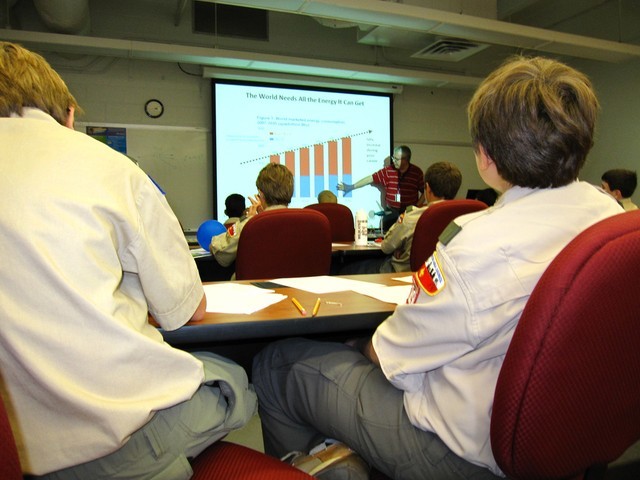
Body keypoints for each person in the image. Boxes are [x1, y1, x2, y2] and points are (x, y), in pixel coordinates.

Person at [251, 55, 624, 480]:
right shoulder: (614, 222)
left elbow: (388, 355)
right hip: (567, 441)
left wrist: (356, 345)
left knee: (276, 363)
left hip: (459, 457)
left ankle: (328, 465)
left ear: (484, 155)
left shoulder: (478, 245)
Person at [0, 42, 257, 479]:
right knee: (240, 380)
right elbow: (186, 311)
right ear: (68, 115)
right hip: (112, 441)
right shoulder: (109, 166)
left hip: (16, 450)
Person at [341, 161, 462, 275]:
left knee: (344, 270)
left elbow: (386, 247)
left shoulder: (412, 216)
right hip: (443, 279)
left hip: (404, 275)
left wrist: (402, 249)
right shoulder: (464, 218)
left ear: (428, 188)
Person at [211, 162, 293, 268]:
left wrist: (248, 219)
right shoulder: (308, 222)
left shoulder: (250, 224)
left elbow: (220, 253)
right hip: (296, 284)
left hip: (255, 284)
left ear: (261, 194)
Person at [337, 146, 424, 231]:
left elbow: (424, 192)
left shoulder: (417, 172)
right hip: (391, 212)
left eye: (396, 159)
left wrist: (416, 207)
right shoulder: (388, 170)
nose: (394, 161)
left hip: (409, 213)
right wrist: (351, 187)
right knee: (388, 239)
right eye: (393, 158)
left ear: (406, 159)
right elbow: (370, 178)